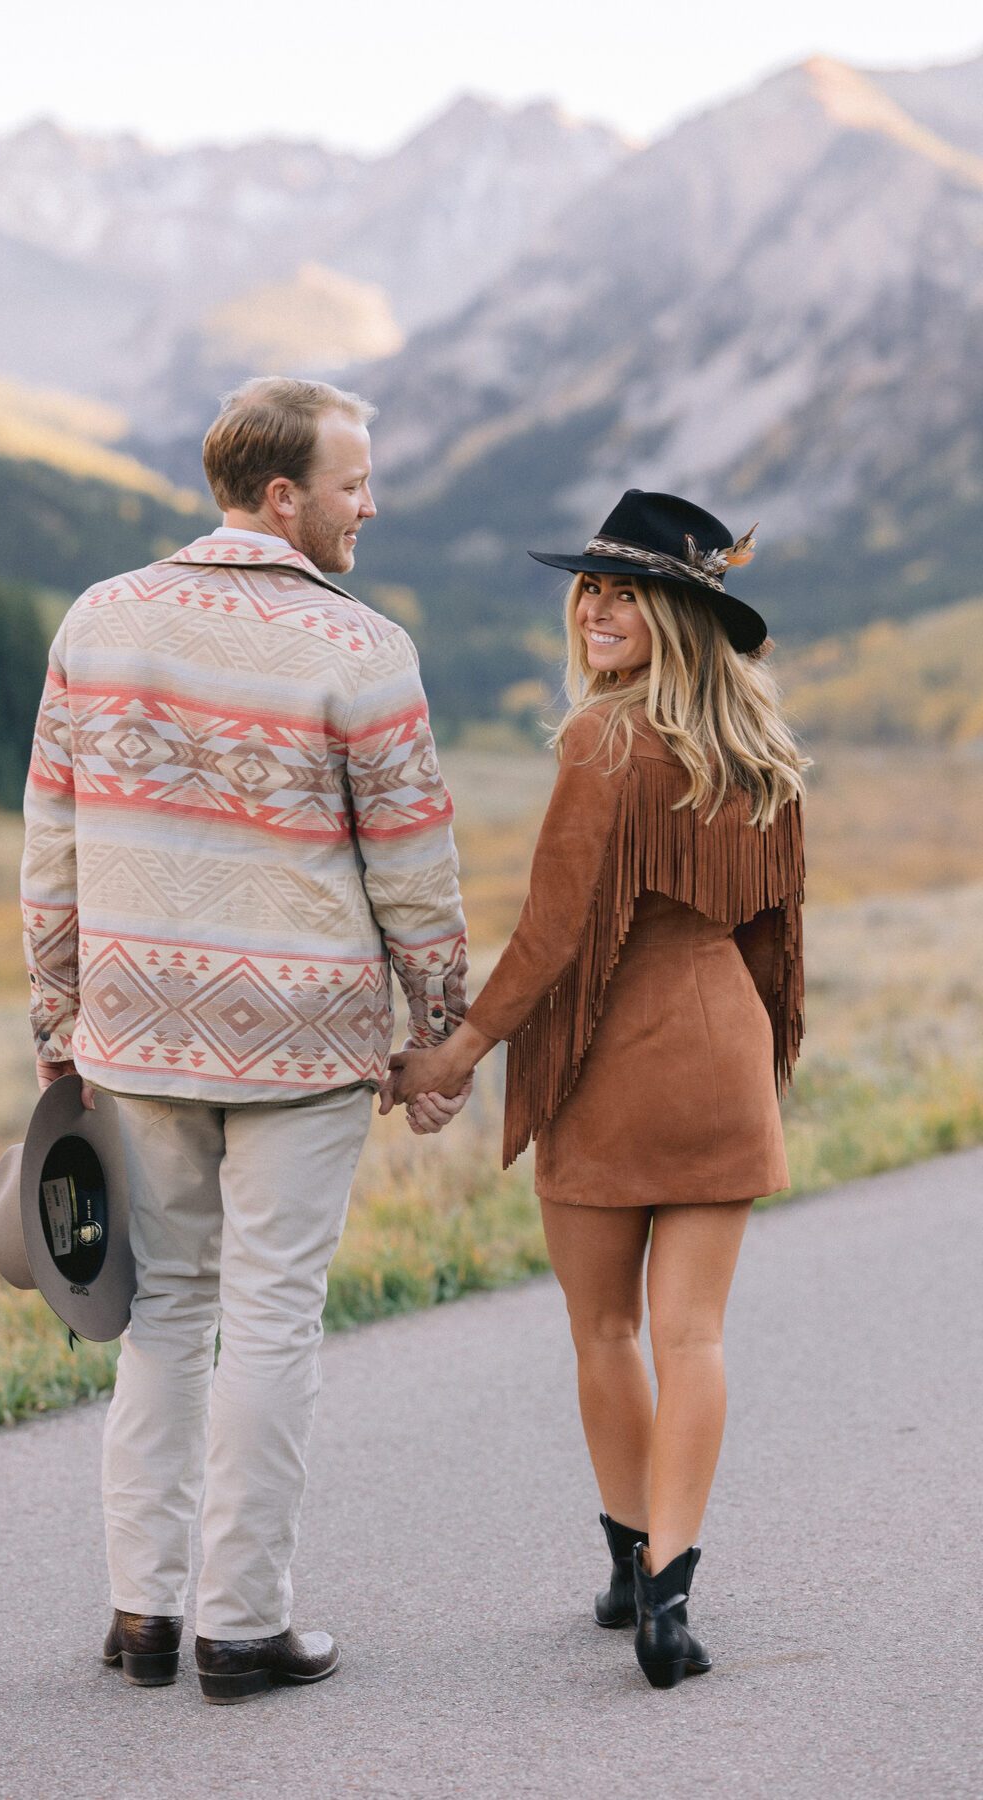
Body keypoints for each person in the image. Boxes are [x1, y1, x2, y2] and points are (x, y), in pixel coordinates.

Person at [20, 376, 469, 1704]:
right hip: (301, 1041)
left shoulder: (98, 619)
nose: (368, 506)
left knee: (162, 1315)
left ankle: (143, 1614)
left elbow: (51, 846)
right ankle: (244, 1625)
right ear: (284, 496)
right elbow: (414, 866)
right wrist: (437, 1028)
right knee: (273, 1317)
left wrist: (58, 1016)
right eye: (352, 484)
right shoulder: (362, 646)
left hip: (139, 1028)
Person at [391, 489, 807, 1689]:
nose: (599, 608)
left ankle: (632, 1568)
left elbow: (553, 937)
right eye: (591, 588)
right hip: (723, 1050)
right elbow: (780, 945)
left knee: (611, 1329)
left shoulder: (601, 741)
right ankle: (670, 1595)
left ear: (682, 616)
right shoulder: (761, 757)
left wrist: (456, 1057)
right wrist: (761, 1068)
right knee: (696, 1336)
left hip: (610, 1058)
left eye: (629, 591)